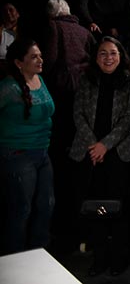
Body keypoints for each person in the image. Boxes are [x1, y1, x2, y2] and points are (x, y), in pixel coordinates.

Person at [69, 37, 130, 276]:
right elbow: (78, 114)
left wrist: (105, 146)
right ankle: (99, 258)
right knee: (94, 208)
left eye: (113, 53)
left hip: (118, 153)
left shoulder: (129, 81)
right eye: (103, 54)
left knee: (118, 208)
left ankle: (118, 258)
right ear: (95, 57)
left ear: (121, 56)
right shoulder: (86, 80)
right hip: (89, 154)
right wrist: (93, 145)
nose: (108, 58)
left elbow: (129, 118)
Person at [40, 0, 96, 242]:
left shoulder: (54, 27)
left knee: (64, 141)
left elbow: (50, 58)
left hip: (62, 87)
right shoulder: (83, 30)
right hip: (82, 84)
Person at [0, 38, 56, 255]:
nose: (40, 60)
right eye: (34, 56)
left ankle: (39, 256)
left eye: (40, 55)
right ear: (18, 62)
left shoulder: (40, 80)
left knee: (46, 205)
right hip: (17, 154)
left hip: (42, 152)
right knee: (21, 209)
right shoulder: (8, 87)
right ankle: (14, 260)